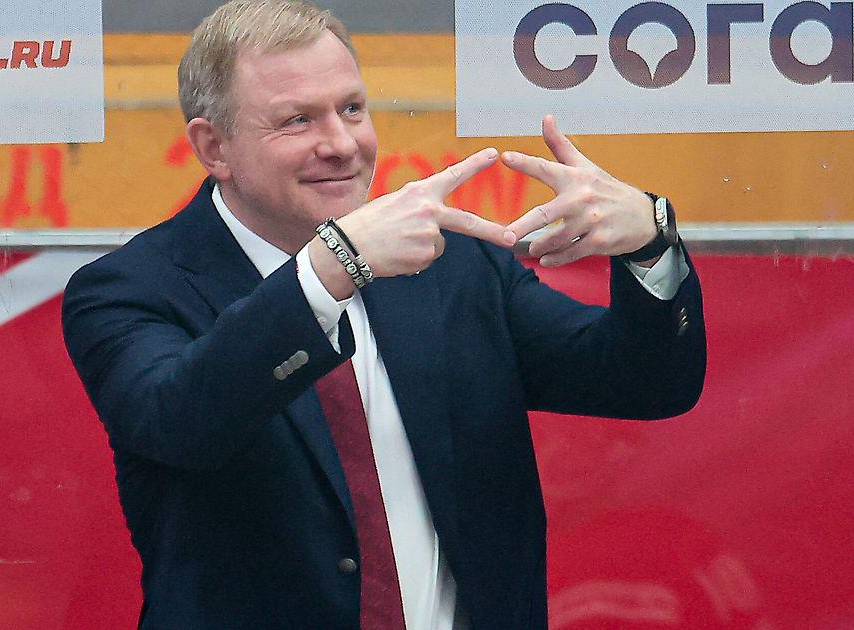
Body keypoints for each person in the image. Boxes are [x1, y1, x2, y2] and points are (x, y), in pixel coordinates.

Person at [61, 1, 706, 628]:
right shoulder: (128, 289)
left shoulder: (451, 264)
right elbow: (179, 422)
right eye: (297, 121)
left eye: (352, 109)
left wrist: (650, 244)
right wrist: (327, 272)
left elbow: (645, 382)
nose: (342, 144)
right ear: (214, 147)